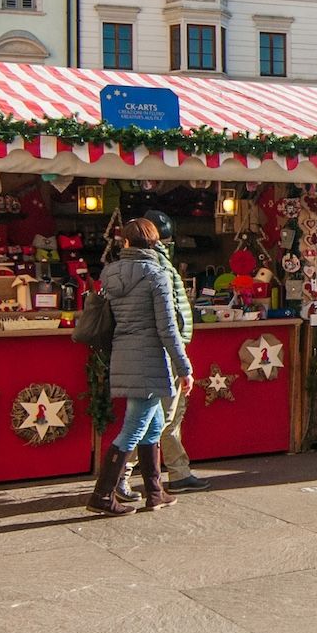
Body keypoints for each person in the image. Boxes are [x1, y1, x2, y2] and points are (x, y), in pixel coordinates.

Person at [89, 218, 193, 515]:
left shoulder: (110, 273)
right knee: (133, 429)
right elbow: (168, 328)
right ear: (155, 241)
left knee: (154, 425)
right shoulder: (156, 275)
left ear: (125, 242)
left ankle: (155, 492)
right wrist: (184, 367)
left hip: (123, 353)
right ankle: (102, 495)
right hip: (149, 359)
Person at [118, 210, 208, 496]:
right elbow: (167, 320)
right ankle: (122, 476)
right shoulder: (156, 267)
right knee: (153, 419)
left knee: (163, 418)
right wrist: (182, 363)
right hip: (163, 351)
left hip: (158, 349)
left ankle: (175, 473)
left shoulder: (146, 265)